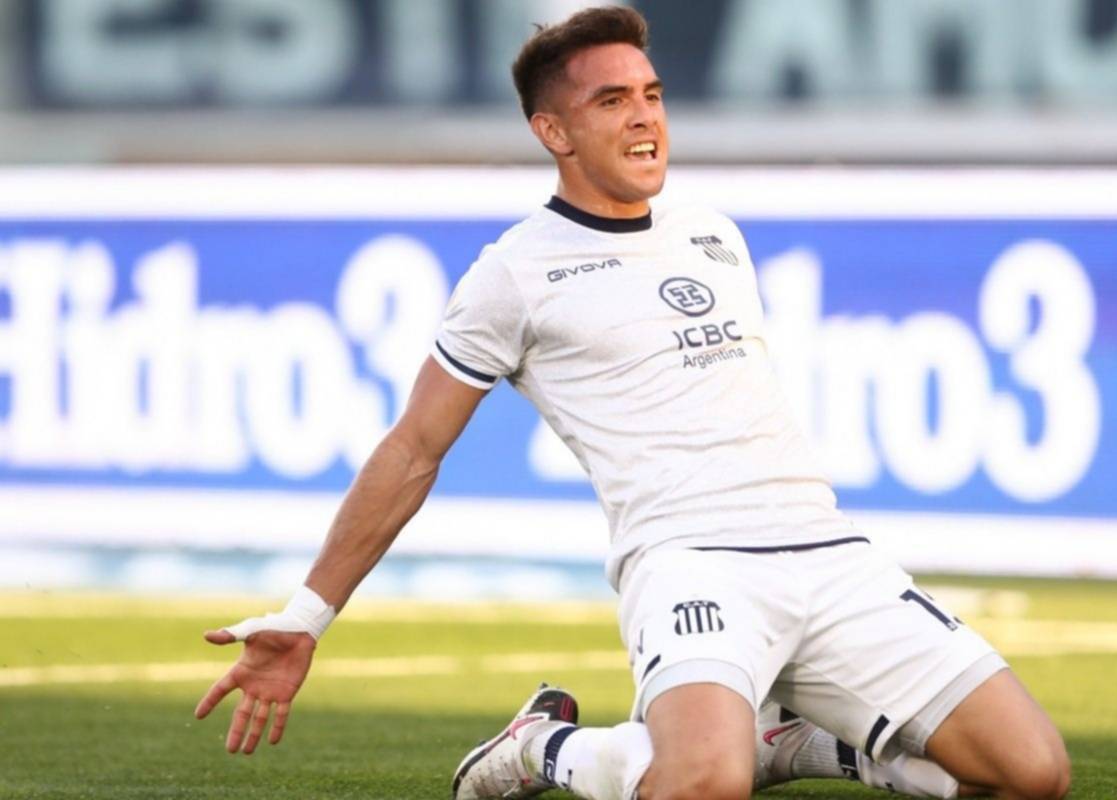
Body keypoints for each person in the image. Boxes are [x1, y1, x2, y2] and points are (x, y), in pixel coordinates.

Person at [194, 7, 1071, 800]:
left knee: (1033, 773)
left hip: (829, 552)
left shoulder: (713, 234)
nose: (645, 116)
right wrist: (307, 617)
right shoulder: (514, 274)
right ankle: (548, 748)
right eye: (612, 101)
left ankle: (783, 739)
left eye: (651, 95)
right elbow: (413, 448)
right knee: (705, 783)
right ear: (554, 131)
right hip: (689, 563)